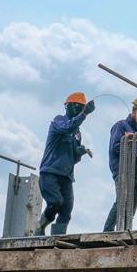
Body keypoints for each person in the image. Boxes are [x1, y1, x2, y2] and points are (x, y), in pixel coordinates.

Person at [34, 92, 95, 235]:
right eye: (77, 106)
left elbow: (73, 157)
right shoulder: (59, 121)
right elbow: (67, 127)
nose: (79, 109)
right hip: (50, 172)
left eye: (81, 107)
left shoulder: (77, 133)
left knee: (66, 210)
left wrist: (79, 152)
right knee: (55, 202)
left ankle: (57, 237)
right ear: (67, 106)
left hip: (66, 176)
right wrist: (85, 114)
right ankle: (40, 226)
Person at [103, 96, 137, 232]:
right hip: (123, 170)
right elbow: (115, 148)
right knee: (122, 200)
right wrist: (135, 152)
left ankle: (125, 231)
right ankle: (108, 231)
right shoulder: (121, 126)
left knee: (132, 206)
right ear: (134, 110)